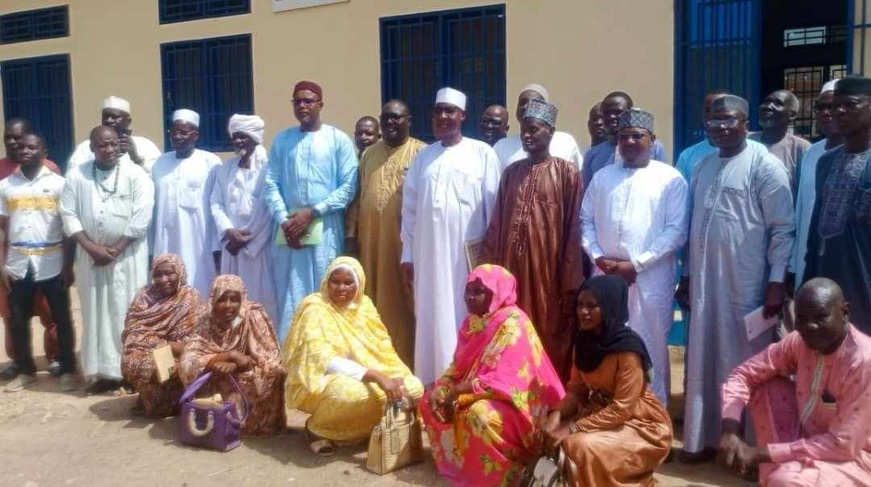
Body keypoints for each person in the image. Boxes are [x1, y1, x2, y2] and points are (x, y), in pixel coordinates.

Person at [677, 95, 794, 462]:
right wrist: (688, 276)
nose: (721, 127)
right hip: (705, 286)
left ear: (745, 122)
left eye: (728, 119)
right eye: (714, 120)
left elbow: (782, 229)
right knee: (702, 357)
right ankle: (703, 440)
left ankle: (748, 448)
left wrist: (776, 282)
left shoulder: (765, 164)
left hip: (747, 285)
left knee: (745, 363)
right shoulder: (703, 166)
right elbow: (695, 226)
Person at [419, 265, 565, 486]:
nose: (470, 297)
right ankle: (464, 464)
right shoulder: (472, 324)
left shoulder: (514, 323)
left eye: (478, 291)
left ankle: (510, 472)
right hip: (483, 393)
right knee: (428, 400)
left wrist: (458, 393)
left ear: (498, 292)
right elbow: (458, 368)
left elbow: (505, 382)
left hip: (521, 407)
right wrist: (443, 389)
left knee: (479, 415)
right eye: (468, 290)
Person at [581, 108, 688, 405]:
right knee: (607, 342)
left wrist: (636, 264)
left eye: (636, 136)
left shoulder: (670, 179)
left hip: (649, 280)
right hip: (604, 276)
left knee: (648, 345)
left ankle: (652, 424)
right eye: (623, 136)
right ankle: (608, 415)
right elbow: (585, 222)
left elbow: (676, 231)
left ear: (652, 140)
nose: (629, 142)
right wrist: (599, 258)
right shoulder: (603, 177)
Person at [719, 278, 871, 486]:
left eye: (821, 317)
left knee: (787, 482)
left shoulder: (862, 361)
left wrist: (762, 453)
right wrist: (730, 430)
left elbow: (843, 445)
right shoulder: (799, 342)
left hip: (856, 456)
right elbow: (743, 374)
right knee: (763, 385)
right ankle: (775, 473)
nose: (810, 326)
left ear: (845, 313)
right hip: (811, 440)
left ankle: (782, 474)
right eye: (802, 318)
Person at [400, 87, 501, 385]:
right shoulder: (422, 158)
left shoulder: (482, 153)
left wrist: (489, 260)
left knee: (465, 314)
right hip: (428, 257)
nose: (443, 117)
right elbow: (409, 211)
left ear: (462, 115)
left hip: (467, 259)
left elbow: (493, 208)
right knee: (432, 315)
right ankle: (433, 383)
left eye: (449, 111)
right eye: (438, 111)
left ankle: (467, 382)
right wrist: (408, 256)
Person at [481, 98, 584, 381]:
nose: (527, 135)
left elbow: (574, 229)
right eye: (524, 129)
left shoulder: (566, 173)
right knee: (510, 331)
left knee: (549, 331)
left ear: (550, 132)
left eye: (534, 129)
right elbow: (496, 225)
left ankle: (548, 398)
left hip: (548, 276)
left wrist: (569, 279)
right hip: (512, 271)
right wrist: (490, 273)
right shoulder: (511, 173)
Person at [539, 275, 673, 486]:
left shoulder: (627, 349)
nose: (583, 312)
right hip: (599, 413)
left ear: (609, 306)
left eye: (592, 306)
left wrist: (572, 428)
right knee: (544, 433)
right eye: (580, 304)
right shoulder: (583, 343)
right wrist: (557, 414)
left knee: (579, 445)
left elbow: (622, 408)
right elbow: (577, 391)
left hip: (639, 423)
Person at [283, 257, 424, 455]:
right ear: (326, 282)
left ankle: (367, 429)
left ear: (358, 284)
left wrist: (395, 376)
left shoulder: (364, 305)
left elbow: (383, 350)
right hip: (321, 383)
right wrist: (378, 377)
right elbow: (325, 361)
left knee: (413, 387)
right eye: (335, 281)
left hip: (366, 376)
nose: (341, 288)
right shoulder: (315, 308)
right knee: (350, 393)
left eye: (348, 282)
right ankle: (318, 430)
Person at [61, 126, 155, 393]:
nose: (110, 149)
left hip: (126, 257)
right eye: (103, 145)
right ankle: (102, 373)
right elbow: (68, 214)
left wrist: (115, 248)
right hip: (90, 259)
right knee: (94, 314)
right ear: (92, 148)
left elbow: (142, 216)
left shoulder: (137, 175)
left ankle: (127, 371)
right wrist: (91, 247)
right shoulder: (77, 176)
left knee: (124, 312)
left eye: (114, 144)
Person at [264, 80, 357, 342]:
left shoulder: (338, 140)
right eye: (297, 101)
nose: (302, 105)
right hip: (288, 233)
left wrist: (313, 212)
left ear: (320, 104)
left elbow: (349, 186)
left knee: (326, 288)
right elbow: (271, 183)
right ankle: (290, 361)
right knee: (290, 295)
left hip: (325, 228)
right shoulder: (282, 140)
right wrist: (285, 220)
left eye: (308, 100)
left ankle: (327, 358)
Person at [345, 100, 425, 365]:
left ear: (408, 120)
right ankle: (375, 362)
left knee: (403, 302)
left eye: (397, 117)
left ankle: (406, 362)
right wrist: (351, 236)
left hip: (403, 246)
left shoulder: (421, 153)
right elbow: (358, 198)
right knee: (371, 301)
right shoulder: (369, 154)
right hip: (370, 244)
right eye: (386, 118)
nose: (391, 122)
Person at [0, 133, 77, 392]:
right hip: (18, 262)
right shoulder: (6, 186)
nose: (25, 151)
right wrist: (2, 265)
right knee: (18, 319)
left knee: (61, 317)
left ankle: (67, 369)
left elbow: (69, 228)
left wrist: (68, 266)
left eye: (32, 147)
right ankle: (26, 370)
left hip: (52, 259)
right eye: (22, 147)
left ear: (44, 151)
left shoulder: (59, 184)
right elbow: (2, 228)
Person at [804, 76, 871, 334]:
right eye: (835, 106)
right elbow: (815, 228)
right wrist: (808, 280)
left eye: (851, 104)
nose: (838, 111)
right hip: (828, 280)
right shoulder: (826, 162)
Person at [180, 275, 286, 437]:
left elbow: (269, 357)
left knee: (272, 372)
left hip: (246, 370)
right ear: (213, 300)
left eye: (234, 299)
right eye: (222, 299)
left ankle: (258, 426)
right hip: (216, 378)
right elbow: (187, 363)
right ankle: (215, 421)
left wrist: (238, 364)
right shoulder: (206, 322)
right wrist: (227, 356)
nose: (229, 306)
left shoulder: (253, 316)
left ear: (242, 300)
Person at [210, 114, 278, 324]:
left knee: (259, 298)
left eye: (243, 137)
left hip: (257, 247)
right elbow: (216, 202)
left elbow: (267, 210)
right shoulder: (226, 168)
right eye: (235, 137)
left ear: (255, 138)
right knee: (232, 297)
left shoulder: (268, 167)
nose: (238, 142)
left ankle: (262, 344)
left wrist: (247, 240)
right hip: (231, 245)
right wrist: (228, 231)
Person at [151, 109, 222, 297]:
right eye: (174, 132)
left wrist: (217, 246)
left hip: (200, 241)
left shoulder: (210, 162)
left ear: (196, 134)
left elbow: (217, 204)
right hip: (166, 237)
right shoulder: (160, 162)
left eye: (183, 132)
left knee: (199, 286)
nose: (177, 136)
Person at [121, 254, 200, 417]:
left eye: (169, 273)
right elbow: (132, 328)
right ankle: (147, 398)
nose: (163, 279)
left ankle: (176, 400)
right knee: (136, 354)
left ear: (180, 273)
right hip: (152, 353)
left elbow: (200, 340)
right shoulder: (144, 295)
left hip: (182, 357)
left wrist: (174, 347)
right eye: (158, 274)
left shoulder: (191, 298)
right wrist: (160, 345)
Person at [791, 79, 843, 290]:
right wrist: (793, 266)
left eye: (834, 106)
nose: (826, 112)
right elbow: (801, 213)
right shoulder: (812, 152)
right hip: (810, 262)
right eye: (821, 107)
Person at [582, 91, 668, 188]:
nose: (611, 117)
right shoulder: (592, 155)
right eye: (606, 113)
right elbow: (587, 195)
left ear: (630, 113)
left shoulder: (654, 148)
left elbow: (663, 185)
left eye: (617, 112)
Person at [493, 84, 583, 171]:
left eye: (533, 102)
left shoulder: (565, 142)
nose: (525, 107)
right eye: (522, 103)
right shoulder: (502, 146)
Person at [67, 96, 161, 174]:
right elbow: (73, 177)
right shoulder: (85, 147)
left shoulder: (146, 145)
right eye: (105, 116)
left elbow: (156, 178)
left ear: (128, 121)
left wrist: (136, 158)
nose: (109, 120)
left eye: (115, 117)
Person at [749, 89, 811, 189]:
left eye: (778, 103)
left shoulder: (801, 148)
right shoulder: (746, 141)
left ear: (792, 115)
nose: (768, 107)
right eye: (766, 102)